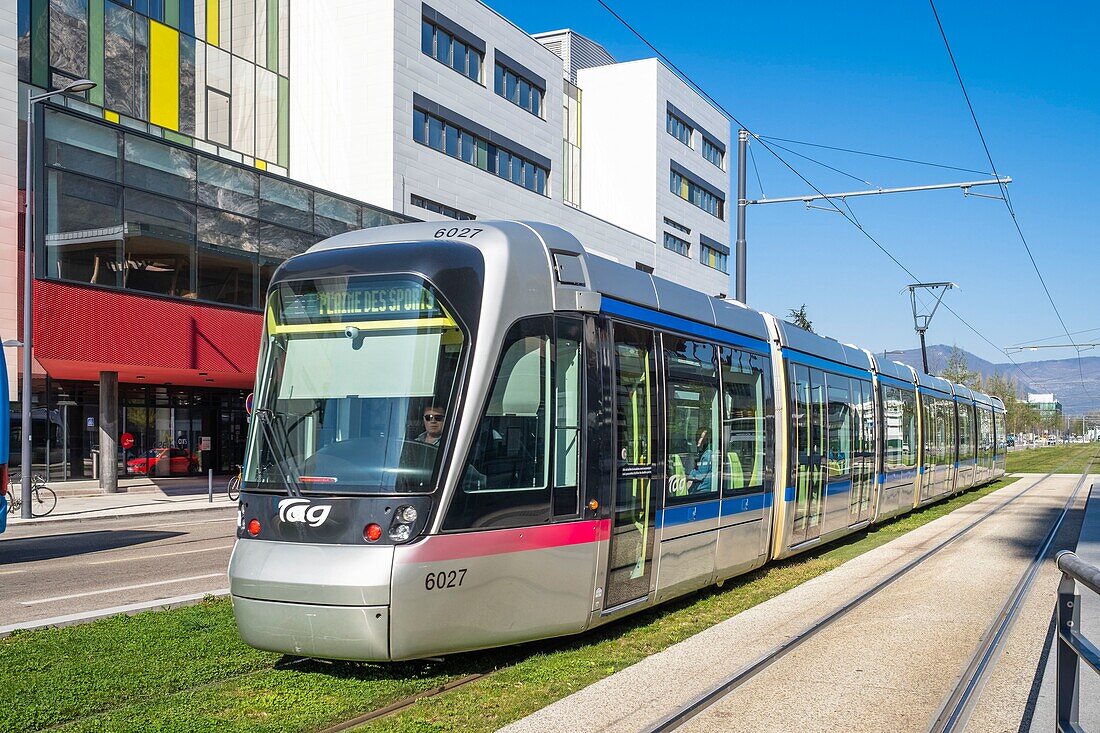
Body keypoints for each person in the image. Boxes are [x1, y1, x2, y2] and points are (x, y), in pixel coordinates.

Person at [688, 428, 713, 494]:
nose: (697, 440)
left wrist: (687, 476)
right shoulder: (704, 453)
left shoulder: (707, 454)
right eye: (697, 437)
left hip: (702, 490)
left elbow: (700, 476)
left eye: (701, 437)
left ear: (707, 440)